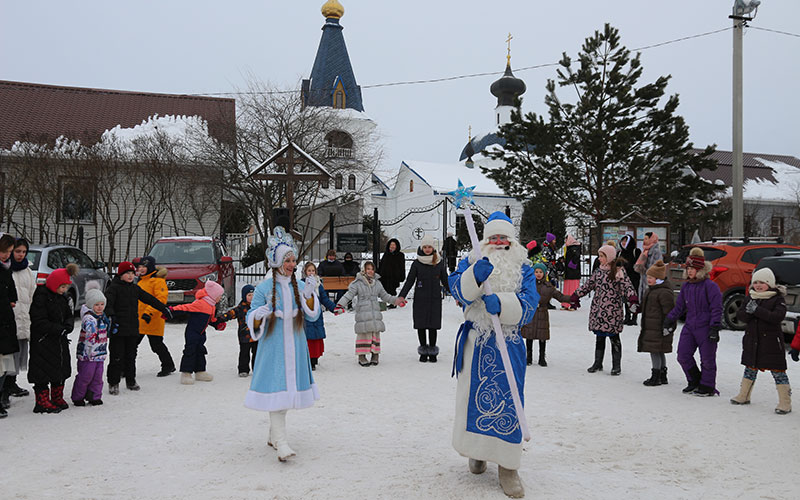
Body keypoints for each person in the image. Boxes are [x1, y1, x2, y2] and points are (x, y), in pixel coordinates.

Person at [449, 211, 538, 498]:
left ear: (512, 241)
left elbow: (530, 302)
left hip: (507, 343)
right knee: (471, 401)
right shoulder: (471, 260)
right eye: (494, 237)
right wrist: (473, 276)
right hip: (476, 343)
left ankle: (508, 466)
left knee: (509, 401)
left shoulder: (523, 267)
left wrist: (502, 302)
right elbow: (456, 289)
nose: (499, 242)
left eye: (504, 237)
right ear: (485, 241)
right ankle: (477, 451)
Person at [245, 227, 321, 461]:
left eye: (293, 260)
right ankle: (281, 442)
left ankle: (272, 434)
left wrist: (310, 294)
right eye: (287, 260)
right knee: (277, 390)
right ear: (276, 261)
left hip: (296, 346)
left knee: (286, 392)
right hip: (274, 347)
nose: (291, 264)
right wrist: (261, 313)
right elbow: (251, 317)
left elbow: (312, 315)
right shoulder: (264, 288)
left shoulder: (298, 285)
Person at [105, 261, 172, 395]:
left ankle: (131, 380)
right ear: (120, 274)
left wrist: (164, 309)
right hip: (118, 329)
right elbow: (108, 305)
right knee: (117, 357)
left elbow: (150, 299)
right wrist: (112, 318)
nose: (130, 276)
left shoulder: (135, 288)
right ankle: (113, 382)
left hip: (133, 328)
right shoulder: (114, 288)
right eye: (127, 273)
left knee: (131, 356)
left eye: (131, 273)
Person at [663, 247, 723, 397]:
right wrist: (670, 318)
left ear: (701, 270)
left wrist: (715, 327)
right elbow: (680, 306)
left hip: (706, 327)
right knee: (683, 355)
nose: (689, 271)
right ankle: (694, 380)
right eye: (688, 268)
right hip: (690, 326)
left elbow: (717, 308)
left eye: (693, 268)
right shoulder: (687, 286)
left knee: (707, 359)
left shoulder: (711, 287)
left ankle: (707, 386)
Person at [571, 244, 638, 376]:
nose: (600, 258)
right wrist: (576, 295)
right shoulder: (598, 271)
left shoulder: (618, 271)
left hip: (613, 311)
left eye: (602, 256)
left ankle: (616, 365)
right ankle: (598, 362)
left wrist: (633, 299)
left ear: (610, 257)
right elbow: (588, 285)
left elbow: (627, 286)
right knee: (599, 337)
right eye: (600, 256)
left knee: (614, 338)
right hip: (599, 309)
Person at [730, 268, 791, 414]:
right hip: (753, 342)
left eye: (762, 282)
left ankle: (785, 403)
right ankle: (743, 395)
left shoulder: (777, 299)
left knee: (778, 372)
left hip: (771, 344)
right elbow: (742, 316)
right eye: (755, 282)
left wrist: (757, 310)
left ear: (770, 284)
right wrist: (749, 311)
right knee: (750, 368)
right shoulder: (750, 297)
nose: (758, 285)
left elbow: (776, 317)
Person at [28, 263, 78, 413]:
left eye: (66, 288)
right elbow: (38, 319)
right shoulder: (41, 296)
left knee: (60, 368)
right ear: (54, 284)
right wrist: (57, 329)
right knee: (42, 370)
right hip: (43, 340)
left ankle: (57, 395)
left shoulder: (62, 298)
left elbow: (69, 315)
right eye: (62, 287)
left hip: (59, 340)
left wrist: (68, 326)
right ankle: (42, 400)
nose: (64, 290)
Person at [335, 261, 404, 366]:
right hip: (363, 312)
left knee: (375, 333)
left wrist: (396, 300)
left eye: (372, 269)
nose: (370, 271)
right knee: (364, 334)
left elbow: (385, 296)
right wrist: (339, 305)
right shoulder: (357, 283)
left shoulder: (377, 283)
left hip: (374, 312)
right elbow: (348, 295)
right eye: (368, 269)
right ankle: (361, 355)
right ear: (364, 270)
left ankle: (375, 354)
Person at [399, 234, 450, 363]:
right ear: (422, 248)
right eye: (425, 247)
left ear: (433, 248)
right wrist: (402, 296)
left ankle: (432, 351)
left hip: (434, 299)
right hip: (420, 298)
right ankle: (423, 351)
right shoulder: (417, 263)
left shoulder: (439, 262)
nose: (427, 249)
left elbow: (446, 281)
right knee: (421, 325)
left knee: (433, 325)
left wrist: (457, 295)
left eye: (429, 247)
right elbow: (410, 281)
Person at [170, 280, 227, 385]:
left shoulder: (211, 305)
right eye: (219, 295)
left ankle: (200, 371)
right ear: (213, 295)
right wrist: (172, 311)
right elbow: (185, 307)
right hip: (192, 332)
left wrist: (217, 325)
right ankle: (186, 373)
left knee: (200, 351)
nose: (220, 297)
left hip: (201, 333)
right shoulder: (200, 303)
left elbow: (211, 319)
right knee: (190, 351)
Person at [521, 263, 570, 367]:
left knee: (542, 336)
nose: (538, 274)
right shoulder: (528, 285)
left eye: (540, 272)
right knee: (529, 336)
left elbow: (559, 297)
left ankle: (542, 357)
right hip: (531, 312)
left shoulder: (548, 287)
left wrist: (572, 298)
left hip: (542, 313)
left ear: (544, 273)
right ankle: (528, 357)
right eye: (536, 272)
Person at [135, 256, 176, 377]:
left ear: (150, 268)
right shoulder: (141, 281)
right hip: (139, 319)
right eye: (140, 267)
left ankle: (168, 365)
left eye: (144, 267)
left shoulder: (158, 281)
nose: (141, 269)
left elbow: (160, 300)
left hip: (152, 319)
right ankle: (124, 368)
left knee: (156, 345)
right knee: (132, 345)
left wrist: (149, 313)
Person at [636, 260, 675, 386]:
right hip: (652, 327)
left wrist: (668, 327)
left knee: (655, 351)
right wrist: (637, 308)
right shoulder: (651, 290)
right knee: (659, 350)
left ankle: (656, 376)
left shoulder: (664, 292)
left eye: (651, 277)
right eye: (647, 277)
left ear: (658, 278)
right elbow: (645, 306)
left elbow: (669, 312)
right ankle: (662, 375)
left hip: (658, 328)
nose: (648, 279)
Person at [71, 281, 109, 406]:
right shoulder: (89, 318)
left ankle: (94, 396)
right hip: (88, 353)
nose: (99, 307)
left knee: (98, 377)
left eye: (102, 304)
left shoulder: (102, 317)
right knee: (85, 376)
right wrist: (89, 346)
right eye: (96, 304)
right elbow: (90, 334)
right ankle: (78, 396)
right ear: (90, 305)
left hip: (100, 352)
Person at [7, 238, 34, 400]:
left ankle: (12, 382)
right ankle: (4, 386)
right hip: (9, 317)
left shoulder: (27, 270)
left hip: (24, 316)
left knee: (18, 352)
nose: (21, 255)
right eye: (17, 251)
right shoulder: (5, 268)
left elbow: (32, 292)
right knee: (7, 355)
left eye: (24, 252)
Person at [301, 261, 337, 370]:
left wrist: (334, 308)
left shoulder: (319, 284)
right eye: (309, 271)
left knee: (316, 336)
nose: (311, 273)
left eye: (313, 270)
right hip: (305, 314)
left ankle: (314, 358)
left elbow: (324, 299)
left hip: (317, 314)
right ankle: (307, 359)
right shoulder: (301, 284)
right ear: (305, 272)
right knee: (307, 336)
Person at [217, 284, 257, 377]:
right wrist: (220, 319)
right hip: (245, 336)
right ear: (244, 296)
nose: (251, 297)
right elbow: (231, 314)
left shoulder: (257, 307)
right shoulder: (240, 308)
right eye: (249, 295)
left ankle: (257, 369)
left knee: (257, 354)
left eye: (253, 295)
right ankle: (243, 369)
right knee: (244, 353)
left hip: (256, 335)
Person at [0, 233, 19, 417]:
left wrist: (12, 300)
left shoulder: (6, 269)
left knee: (3, 364)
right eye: (4, 251)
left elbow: (11, 290)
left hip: (5, 322)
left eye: (9, 252)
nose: (6, 255)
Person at [618, 234, 642, 326]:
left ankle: (634, 317)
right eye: (622, 241)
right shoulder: (620, 253)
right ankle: (627, 316)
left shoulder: (636, 251)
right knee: (625, 297)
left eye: (625, 241)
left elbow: (639, 264)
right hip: (624, 278)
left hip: (634, 278)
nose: (623, 243)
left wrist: (631, 267)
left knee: (634, 297)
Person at [634, 232, 664, 300]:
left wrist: (649, 274)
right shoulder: (645, 251)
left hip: (651, 279)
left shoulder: (655, 251)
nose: (644, 241)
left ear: (652, 239)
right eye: (644, 239)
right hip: (644, 278)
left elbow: (656, 266)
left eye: (646, 239)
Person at [378, 238, 405, 305]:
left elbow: (402, 266)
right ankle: (385, 302)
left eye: (394, 245)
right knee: (385, 290)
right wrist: (380, 273)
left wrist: (401, 276)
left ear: (397, 246)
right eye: (391, 245)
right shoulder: (386, 254)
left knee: (392, 290)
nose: (392, 246)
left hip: (394, 276)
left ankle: (393, 303)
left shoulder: (400, 255)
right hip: (385, 276)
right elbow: (382, 264)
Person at [561, 235, 582, 310]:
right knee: (567, 288)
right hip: (569, 272)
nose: (565, 242)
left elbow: (575, 258)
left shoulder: (574, 248)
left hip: (573, 273)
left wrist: (571, 264)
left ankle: (573, 304)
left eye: (566, 240)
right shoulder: (569, 248)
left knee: (572, 289)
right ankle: (566, 303)